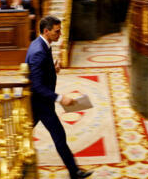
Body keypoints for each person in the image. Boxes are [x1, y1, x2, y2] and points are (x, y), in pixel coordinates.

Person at [25, 16, 93, 179]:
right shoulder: (39, 51)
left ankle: (74, 171)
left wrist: (52, 69)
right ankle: (74, 172)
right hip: (40, 104)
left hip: (39, 103)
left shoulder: (41, 44)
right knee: (59, 137)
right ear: (46, 31)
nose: (60, 34)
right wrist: (60, 98)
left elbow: (40, 73)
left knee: (24, 132)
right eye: (57, 31)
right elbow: (36, 85)